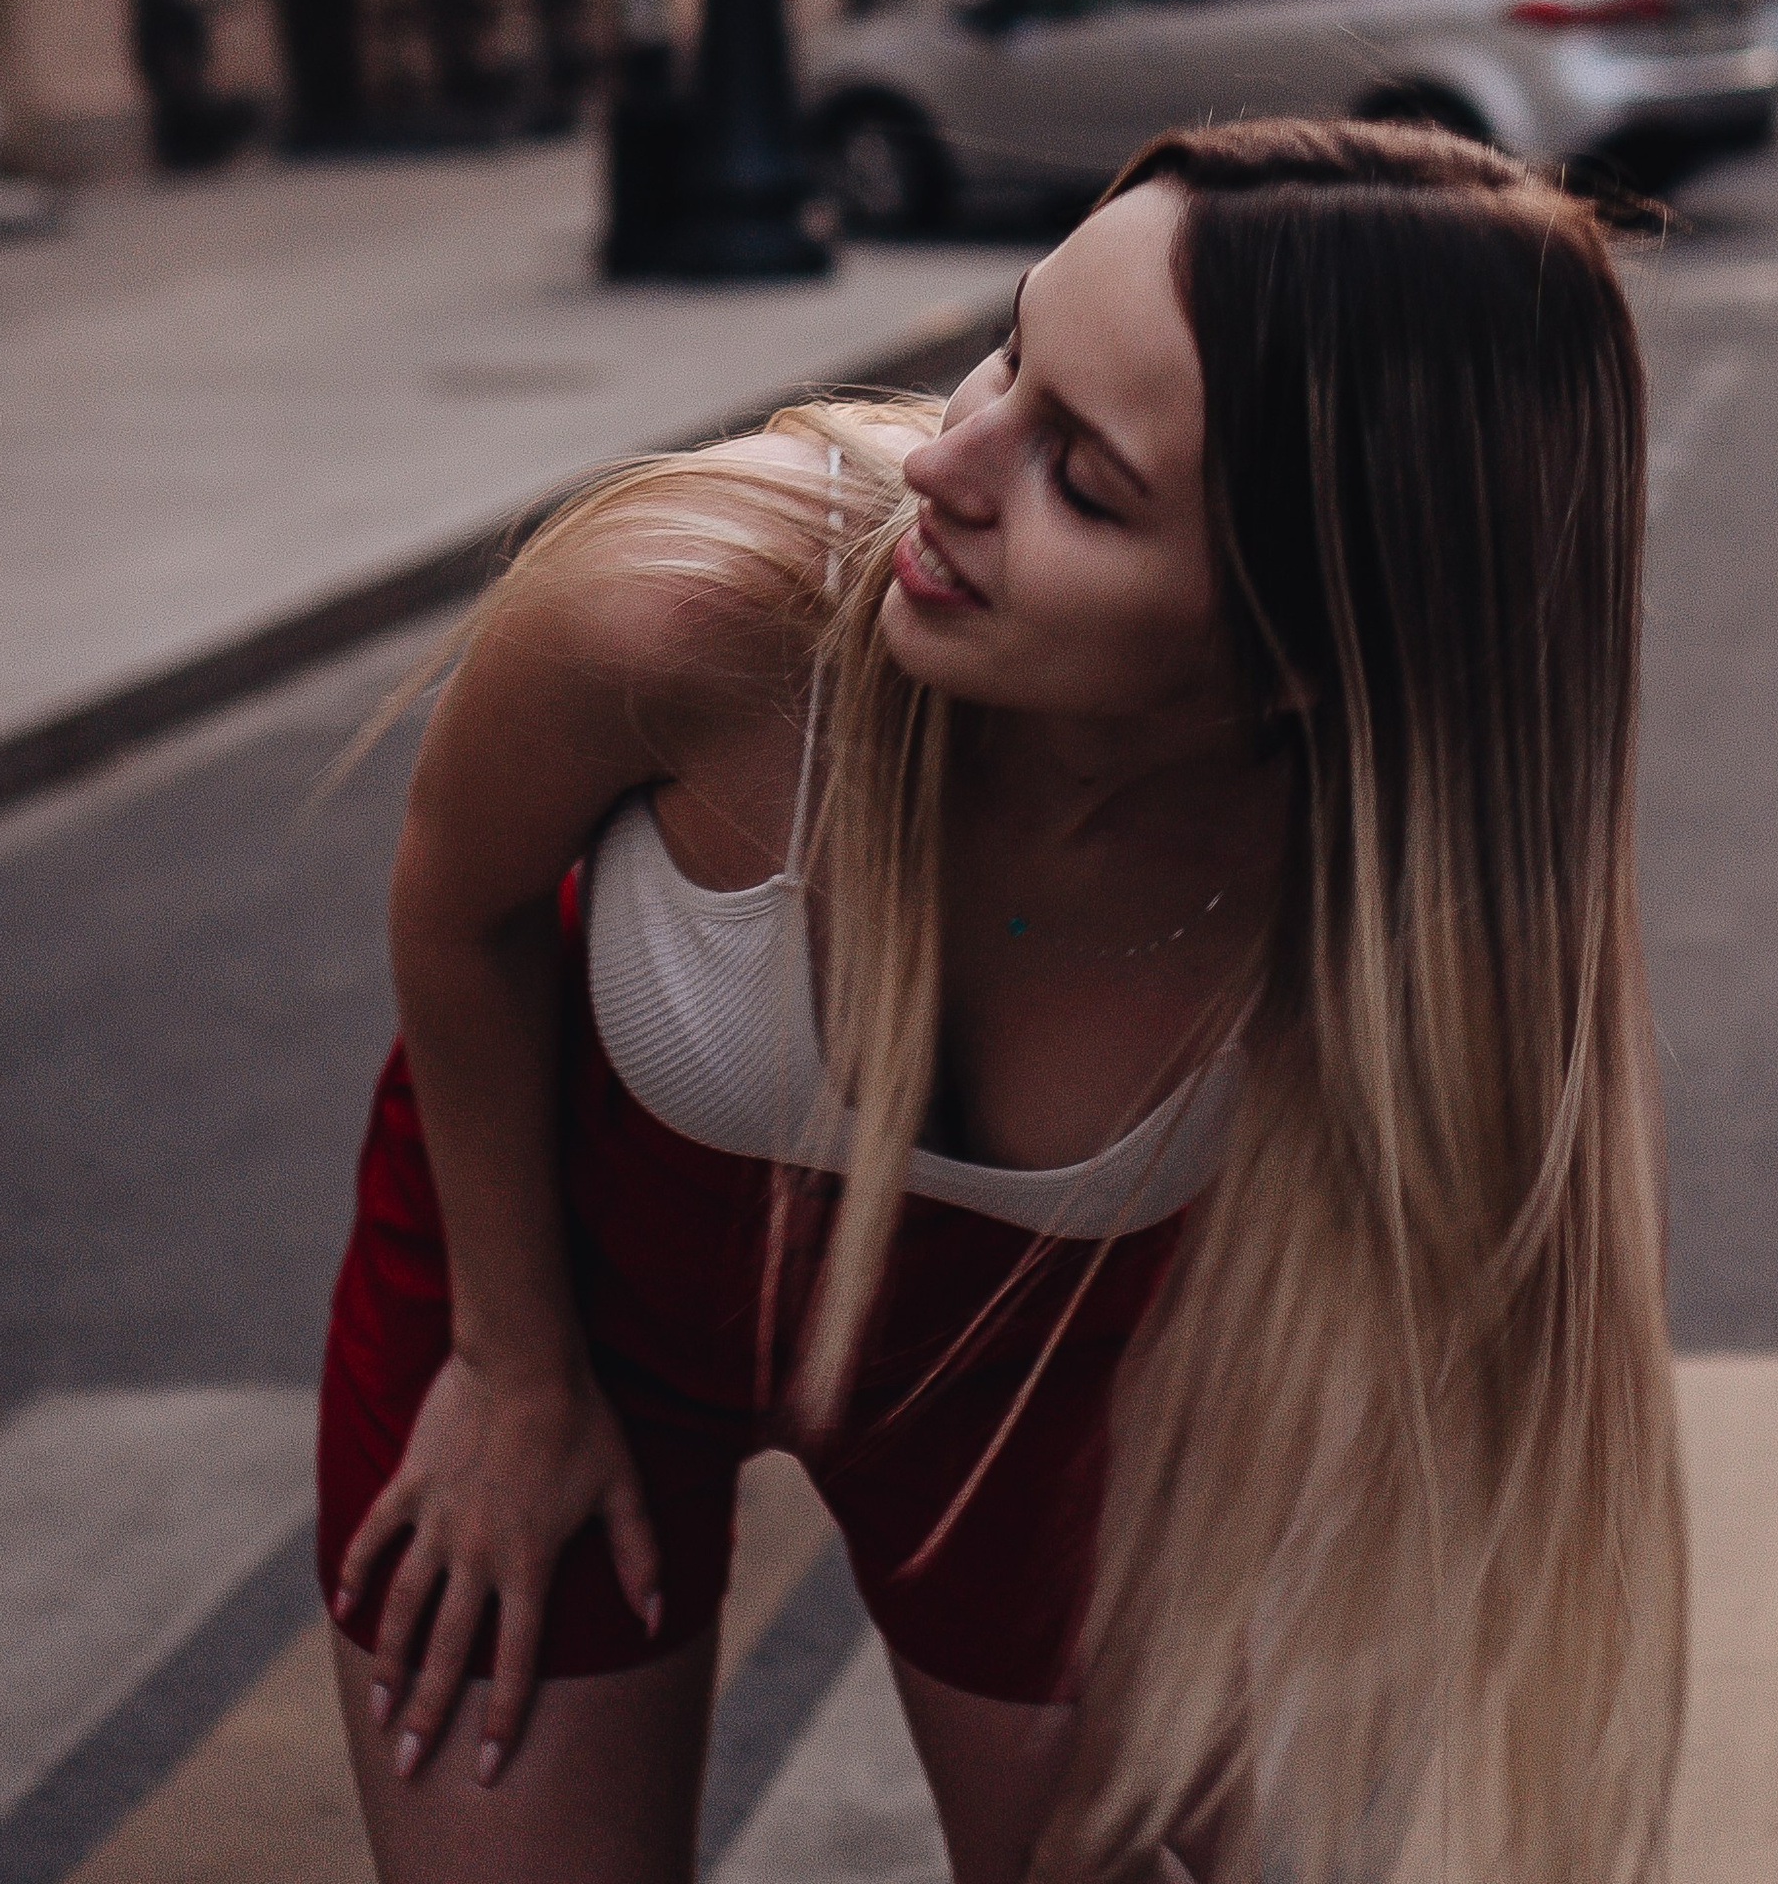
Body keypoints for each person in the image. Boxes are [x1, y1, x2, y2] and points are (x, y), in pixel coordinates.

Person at [317, 119, 1685, 1883]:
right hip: (560, 1264)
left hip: (1043, 1376)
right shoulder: (687, 615)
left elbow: (1408, 1334)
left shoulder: (1404, 896)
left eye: (1084, 480)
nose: (944, 460)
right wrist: (511, 1370)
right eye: (1010, 351)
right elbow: (458, 906)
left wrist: (1238, 1692)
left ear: (1306, 649)